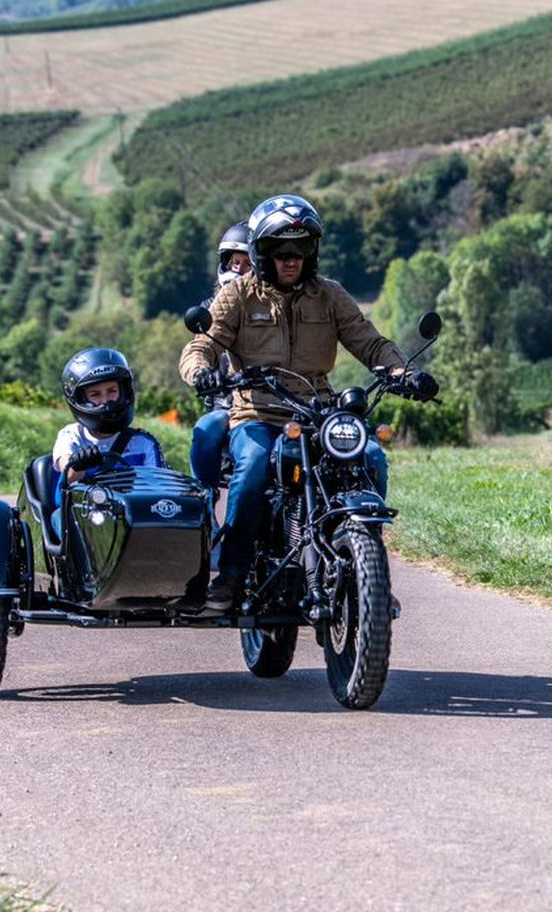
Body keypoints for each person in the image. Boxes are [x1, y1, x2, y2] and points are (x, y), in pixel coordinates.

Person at [179, 193, 437, 613]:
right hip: (257, 413)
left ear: (312, 252)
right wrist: (201, 371)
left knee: (370, 458)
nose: (291, 259)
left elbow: (370, 342)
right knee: (253, 467)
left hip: (317, 412)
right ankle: (232, 573)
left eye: (300, 250)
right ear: (262, 252)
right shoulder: (238, 295)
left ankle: (370, 573)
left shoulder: (329, 295)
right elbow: (201, 346)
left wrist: (404, 374)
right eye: (280, 251)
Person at [52, 349, 164, 533]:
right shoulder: (71, 436)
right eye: (95, 394)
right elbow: (68, 472)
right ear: (80, 399)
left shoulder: (143, 442)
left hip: (129, 514)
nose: (106, 401)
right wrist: (78, 464)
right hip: (81, 512)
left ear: (124, 391)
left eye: (112, 391)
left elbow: (155, 488)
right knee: (63, 519)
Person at [188, 220, 252, 491]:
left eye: (247, 263)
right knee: (207, 430)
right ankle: (205, 495)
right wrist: (203, 373)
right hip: (226, 403)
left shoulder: (273, 309)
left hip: (276, 402)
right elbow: (200, 349)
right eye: (235, 262)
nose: (239, 269)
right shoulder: (210, 310)